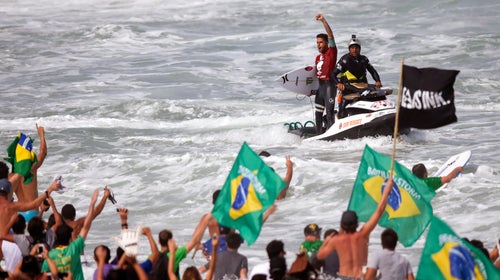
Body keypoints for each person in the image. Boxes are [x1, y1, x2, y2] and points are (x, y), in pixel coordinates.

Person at [317, 177, 394, 279]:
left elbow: (320, 256)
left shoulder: (336, 240)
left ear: (342, 225)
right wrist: (386, 191)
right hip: (360, 277)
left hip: (344, 277)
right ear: (357, 223)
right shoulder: (363, 234)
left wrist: (326, 241)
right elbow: (379, 210)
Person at [41, 189, 100, 280]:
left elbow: (43, 276)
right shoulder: (74, 249)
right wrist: (93, 203)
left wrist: (48, 207)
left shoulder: (50, 255)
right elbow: (87, 225)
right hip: (83, 264)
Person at [332, 34, 382, 118]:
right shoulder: (344, 60)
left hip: (362, 86)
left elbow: (372, 71)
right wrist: (338, 84)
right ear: (349, 49)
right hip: (348, 87)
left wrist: (377, 81)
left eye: (356, 48)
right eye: (352, 48)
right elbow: (333, 74)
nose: (354, 50)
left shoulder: (364, 59)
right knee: (343, 108)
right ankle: (340, 116)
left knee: (377, 91)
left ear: (359, 49)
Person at [13, 124, 48, 222]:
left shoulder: (12, 174)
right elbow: (43, 153)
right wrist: (41, 135)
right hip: (32, 213)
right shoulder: (31, 169)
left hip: (19, 214)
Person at [310, 13, 337, 134]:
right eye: (317, 42)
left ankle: (332, 136)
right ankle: (319, 136)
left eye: (321, 42)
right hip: (320, 88)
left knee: (330, 114)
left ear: (327, 43)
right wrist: (309, 90)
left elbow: (330, 35)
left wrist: (323, 21)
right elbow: (314, 77)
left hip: (329, 86)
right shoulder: (317, 58)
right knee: (318, 115)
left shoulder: (331, 52)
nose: (318, 45)